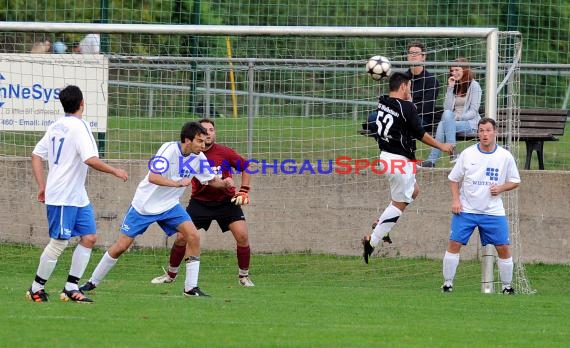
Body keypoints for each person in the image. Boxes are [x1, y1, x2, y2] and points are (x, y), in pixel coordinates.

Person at [80, 122, 234, 297]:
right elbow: (153, 177)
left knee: (193, 236)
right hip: (144, 205)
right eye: (199, 141)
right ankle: (92, 282)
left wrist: (224, 184)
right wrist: (177, 183)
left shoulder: (199, 158)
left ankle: (190, 287)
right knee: (121, 246)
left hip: (170, 206)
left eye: (204, 141)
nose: (203, 145)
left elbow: (210, 180)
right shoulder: (168, 150)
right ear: (187, 140)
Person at [27, 85, 128, 303]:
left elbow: (36, 155)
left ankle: (71, 287)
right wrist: (115, 170)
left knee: (89, 237)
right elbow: (89, 159)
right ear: (82, 104)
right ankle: (35, 288)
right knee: (59, 242)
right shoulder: (79, 127)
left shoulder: (56, 126)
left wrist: (42, 185)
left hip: (76, 195)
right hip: (63, 194)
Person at [361, 72, 454, 263]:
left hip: (387, 158)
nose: (410, 89)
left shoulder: (383, 101)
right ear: (403, 86)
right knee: (399, 204)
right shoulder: (408, 107)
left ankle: (383, 224)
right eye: (409, 86)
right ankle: (373, 240)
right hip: (399, 161)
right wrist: (442, 146)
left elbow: (402, 110)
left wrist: (408, 99)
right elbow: (420, 133)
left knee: (414, 192)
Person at [150, 118, 255, 287]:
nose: (208, 133)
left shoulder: (225, 152)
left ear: (214, 133)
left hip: (226, 202)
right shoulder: (191, 154)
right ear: (196, 135)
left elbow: (247, 166)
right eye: (204, 130)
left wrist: (243, 190)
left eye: (211, 130)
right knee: (181, 237)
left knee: (242, 236)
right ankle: (170, 275)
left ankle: (244, 276)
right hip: (200, 203)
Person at [441, 117, 520, 294]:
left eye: (488, 130)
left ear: (495, 133)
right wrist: (456, 200)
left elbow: (515, 181)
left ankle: (507, 287)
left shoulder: (505, 156)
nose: (484, 134)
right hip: (466, 210)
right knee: (454, 244)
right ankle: (447, 284)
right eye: (481, 130)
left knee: (503, 247)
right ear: (478, 133)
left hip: (493, 211)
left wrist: (500, 187)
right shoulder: (468, 154)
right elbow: (453, 179)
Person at [420, 57, 482, 167]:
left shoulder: (474, 86)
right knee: (446, 118)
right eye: (452, 71)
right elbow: (447, 108)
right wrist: (450, 88)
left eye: (457, 70)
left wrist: (457, 118)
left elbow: (473, 111)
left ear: (465, 70)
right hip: (452, 122)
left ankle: (432, 160)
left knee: (443, 124)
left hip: (470, 123)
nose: (454, 73)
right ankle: (452, 153)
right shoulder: (454, 86)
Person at [405, 42, 440, 133]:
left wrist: (408, 104)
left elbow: (427, 109)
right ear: (407, 57)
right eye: (411, 53)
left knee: (406, 124)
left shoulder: (431, 80)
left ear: (423, 57)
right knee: (372, 118)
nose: (413, 55)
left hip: (422, 119)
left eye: (416, 53)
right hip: (401, 115)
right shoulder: (401, 78)